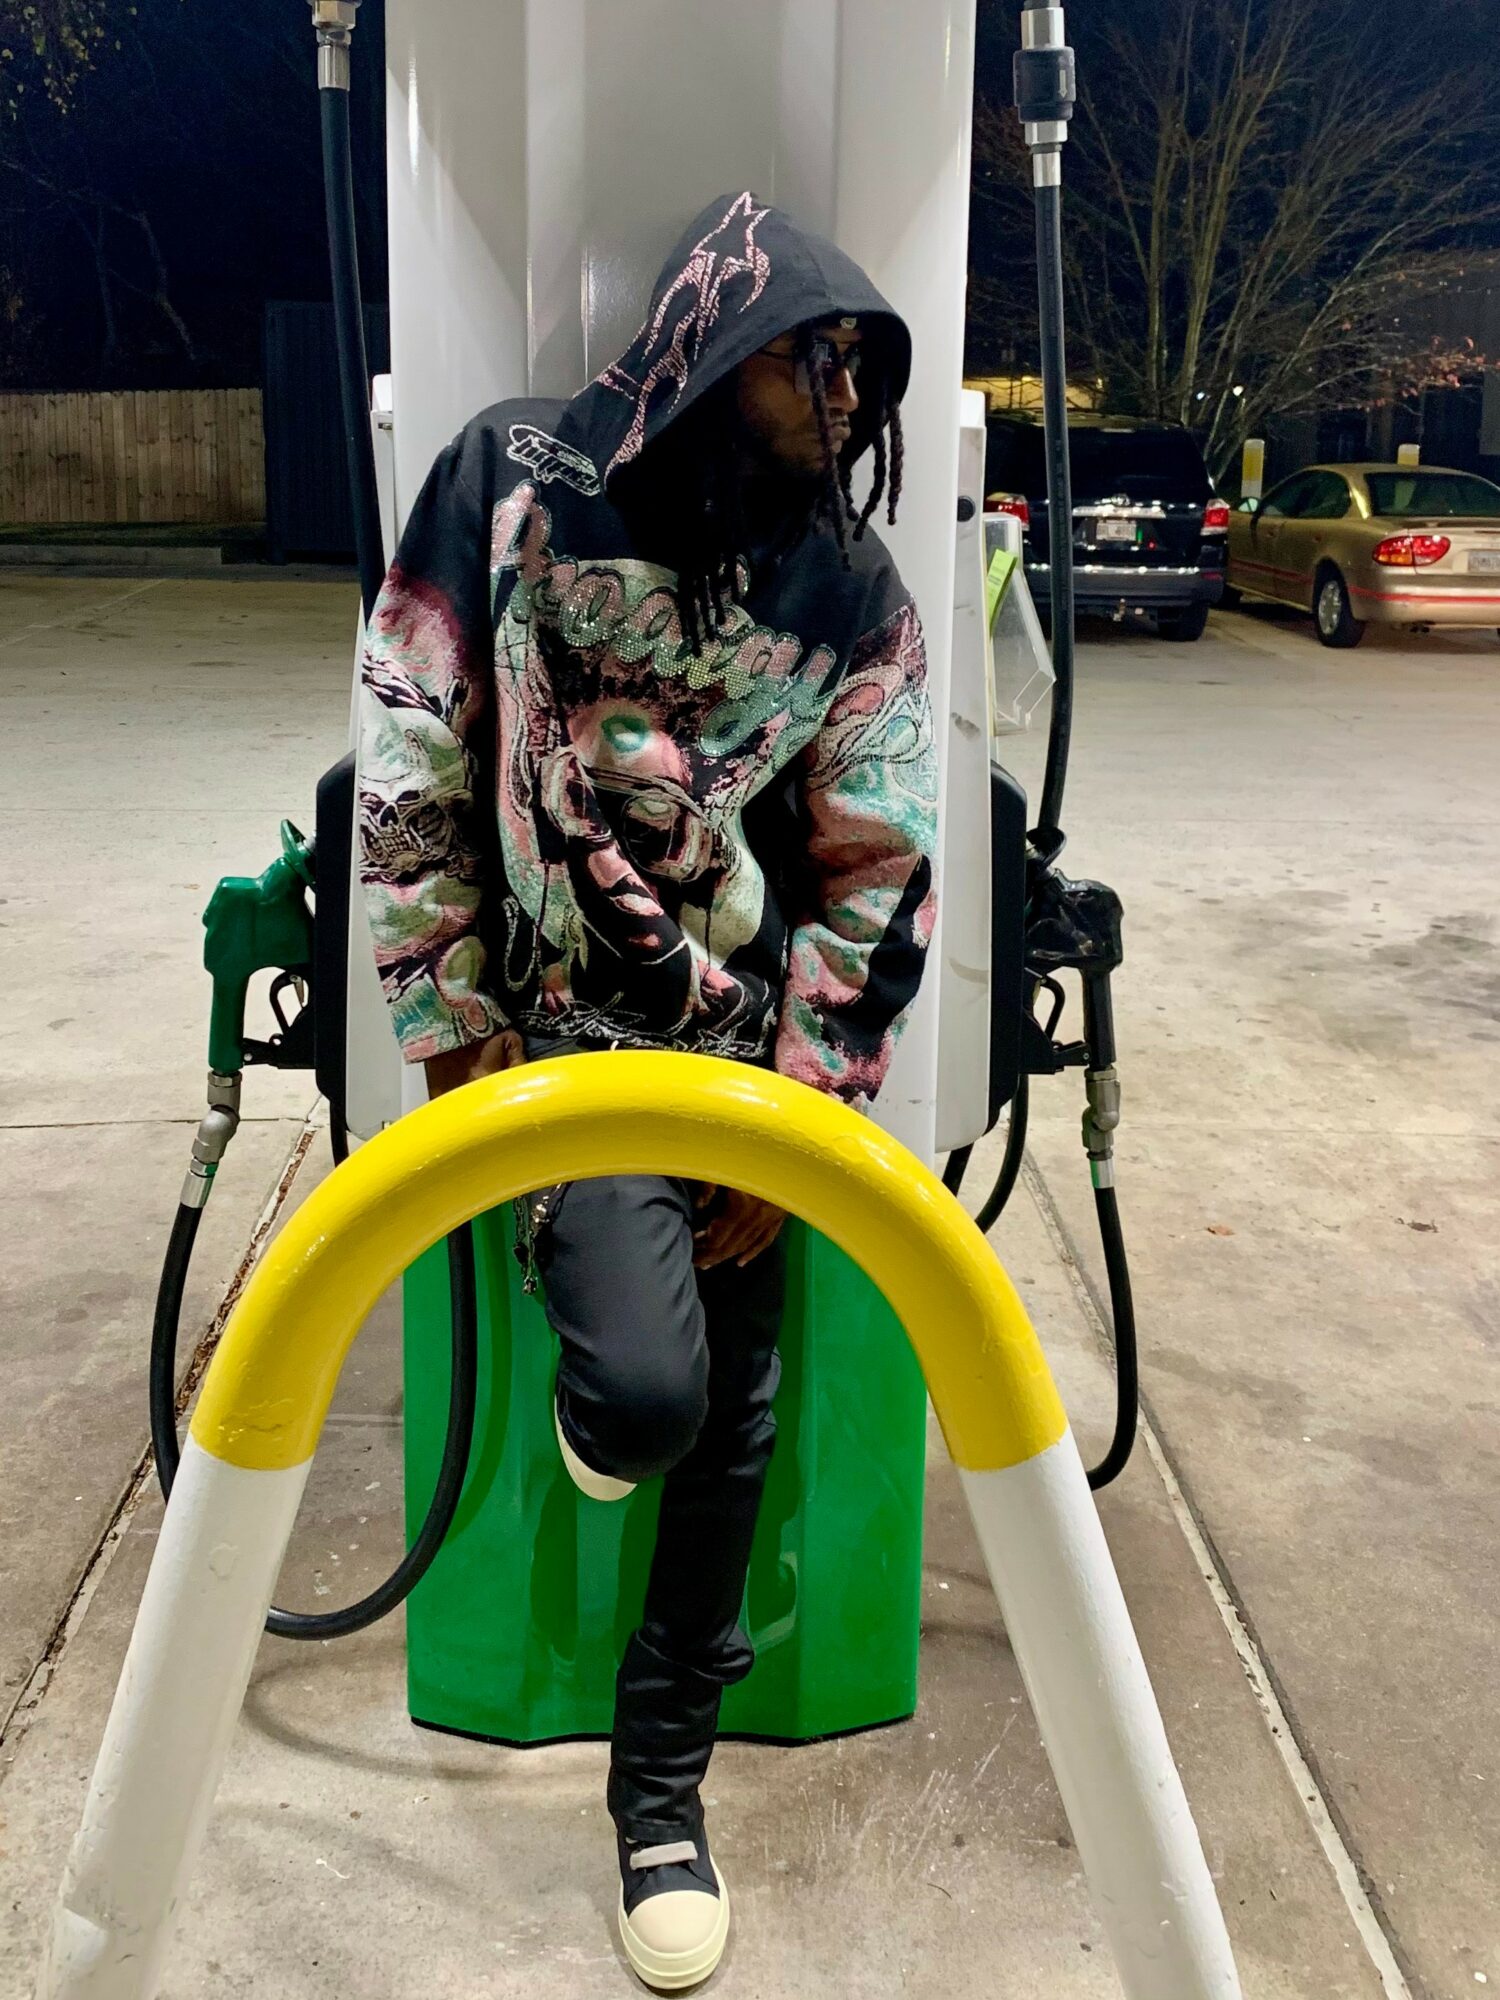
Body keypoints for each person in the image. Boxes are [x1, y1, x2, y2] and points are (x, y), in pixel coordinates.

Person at [359, 190, 938, 1991]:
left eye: (860, 367)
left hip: (740, 1052)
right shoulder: (513, 480)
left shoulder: (849, 585)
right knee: (652, 1400)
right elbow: (411, 734)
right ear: (708, 340)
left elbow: (884, 857)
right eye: (809, 357)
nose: (844, 397)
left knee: (736, 1428)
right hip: (554, 1037)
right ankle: (607, 1393)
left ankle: (661, 1795)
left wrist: (813, 1105)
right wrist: (445, 1022)